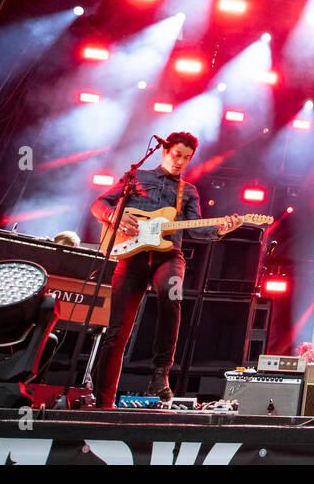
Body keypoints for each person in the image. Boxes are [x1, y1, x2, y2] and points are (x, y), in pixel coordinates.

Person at [89, 132, 241, 407]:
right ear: (164, 151)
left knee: (172, 296)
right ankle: (103, 403)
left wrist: (220, 230)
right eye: (177, 155)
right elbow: (99, 204)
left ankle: (161, 373)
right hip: (130, 256)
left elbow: (195, 227)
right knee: (117, 331)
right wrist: (114, 216)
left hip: (168, 255)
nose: (181, 162)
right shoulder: (136, 177)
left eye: (187, 158)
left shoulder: (189, 191)